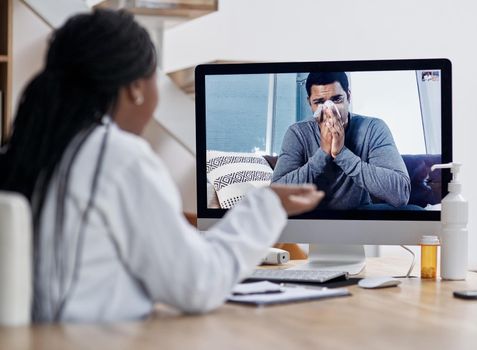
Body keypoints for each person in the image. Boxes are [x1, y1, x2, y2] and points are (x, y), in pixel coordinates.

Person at [0, 9, 323, 323]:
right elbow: (198, 285)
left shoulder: (33, 150)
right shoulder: (118, 156)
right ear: (136, 88)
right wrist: (266, 204)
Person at [272, 72, 410, 210]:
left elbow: (400, 194)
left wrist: (341, 153)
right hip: (311, 219)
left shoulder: (373, 128)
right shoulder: (297, 133)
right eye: (319, 102)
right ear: (310, 103)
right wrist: (323, 153)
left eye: (337, 99)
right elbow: (275, 196)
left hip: (358, 216)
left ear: (348, 97)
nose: (329, 111)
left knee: (414, 211)